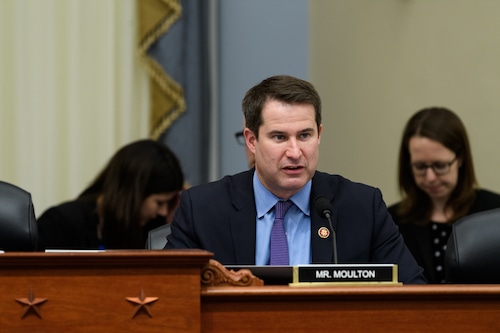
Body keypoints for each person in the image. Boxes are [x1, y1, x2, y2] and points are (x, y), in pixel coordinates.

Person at [165, 75, 426, 284]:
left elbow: (413, 294)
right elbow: (166, 293)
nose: (295, 152)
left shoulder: (362, 207)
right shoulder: (203, 209)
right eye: (279, 137)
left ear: (319, 134)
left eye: (304, 135)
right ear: (252, 140)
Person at [388, 107, 500, 283]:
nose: (430, 177)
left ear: (461, 158)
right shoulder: (391, 220)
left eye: (440, 165)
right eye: (420, 166)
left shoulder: (494, 213)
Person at [37, 139, 184, 250]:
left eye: (168, 203)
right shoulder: (60, 224)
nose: (163, 212)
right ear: (133, 194)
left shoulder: (152, 231)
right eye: (159, 202)